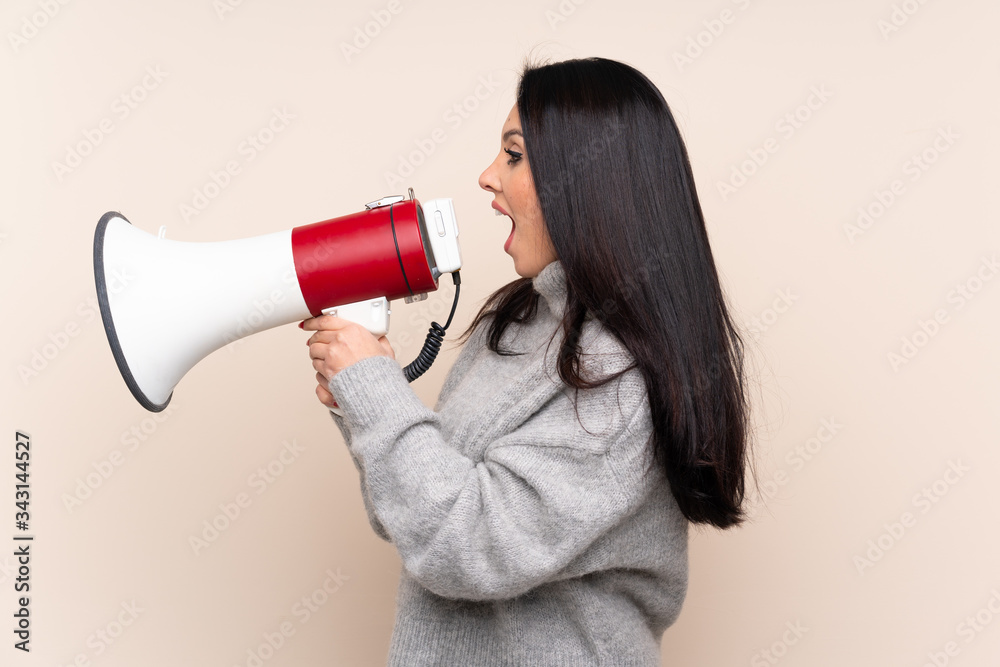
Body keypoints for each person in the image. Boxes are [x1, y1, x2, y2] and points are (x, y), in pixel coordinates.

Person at [302, 56, 753, 666]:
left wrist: (377, 393)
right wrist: (363, 396)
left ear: (586, 182)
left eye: (513, 155)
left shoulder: (620, 381)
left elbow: (465, 546)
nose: (487, 177)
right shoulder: (518, 323)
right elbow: (417, 524)